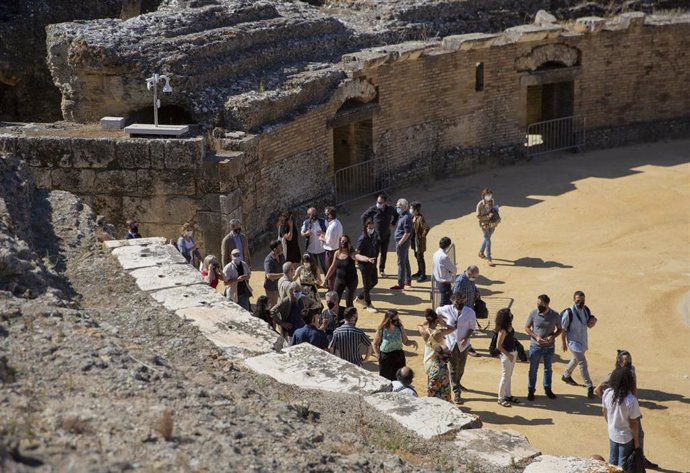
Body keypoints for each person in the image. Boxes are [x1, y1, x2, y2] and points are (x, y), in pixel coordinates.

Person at [594, 350, 657, 469]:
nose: (629, 362)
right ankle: (639, 457)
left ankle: (640, 458)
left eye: (629, 359)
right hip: (626, 426)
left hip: (616, 427)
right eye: (626, 360)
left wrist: (612, 416)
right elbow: (597, 390)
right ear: (619, 361)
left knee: (613, 458)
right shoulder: (619, 380)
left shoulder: (629, 372)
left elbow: (605, 411)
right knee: (623, 461)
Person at [436, 292, 476, 404]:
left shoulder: (470, 312)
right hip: (451, 343)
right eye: (457, 302)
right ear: (453, 301)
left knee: (461, 367)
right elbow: (436, 312)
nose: (459, 304)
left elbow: (472, 327)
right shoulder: (447, 309)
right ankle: (457, 391)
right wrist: (442, 323)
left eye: (462, 301)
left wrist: (466, 338)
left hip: (464, 344)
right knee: (453, 368)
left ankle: (457, 382)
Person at [561, 290, 598, 398]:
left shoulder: (586, 310)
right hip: (573, 342)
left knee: (576, 359)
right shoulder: (569, 313)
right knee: (582, 363)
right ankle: (589, 386)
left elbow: (588, 325)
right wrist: (563, 343)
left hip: (582, 341)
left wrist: (592, 322)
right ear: (574, 300)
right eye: (578, 301)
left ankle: (566, 375)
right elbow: (563, 330)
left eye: (582, 300)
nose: (580, 303)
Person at [525, 294, 562, 401]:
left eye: (540, 304)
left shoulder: (555, 315)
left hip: (549, 347)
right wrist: (536, 337)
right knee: (533, 369)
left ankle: (547, 389)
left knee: (548, 369)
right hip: (535, 346)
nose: (538, 306)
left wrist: (553, 336)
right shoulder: (533, 313)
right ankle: (531, 390)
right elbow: (527, 328)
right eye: (537, 303)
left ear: (547, 304)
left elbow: (560, 329)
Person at [602, 367, 641, 468]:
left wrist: (612, 424)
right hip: (626, 436)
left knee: (612, 460)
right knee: (622, 463)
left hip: (612, 432)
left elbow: (604, 412)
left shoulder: (608, 393)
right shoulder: (631, 400)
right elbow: (634, 423)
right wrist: (636, 441)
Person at [325, 235, 374, 308]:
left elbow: (358, 256)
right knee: (334, 300)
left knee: (348, 302)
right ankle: (335, 316)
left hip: (351, 281)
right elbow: (332, 267)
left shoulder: (351, 253)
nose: (343, 243)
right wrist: (325, 279)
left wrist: (367, 259)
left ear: (349, 243)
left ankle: (351, 317)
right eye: (342, 241)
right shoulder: (337, 253)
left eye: (345, 241)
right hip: (339, 280)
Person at [417, 309, 456, 401]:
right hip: (438, 361)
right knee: (443, 383)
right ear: (436, 321)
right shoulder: (439, 332)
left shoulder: (424, 331)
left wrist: (428, 320)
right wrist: (443, 324)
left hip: (427, 361)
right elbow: (453, 329)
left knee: (431, 382)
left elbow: (419, 325)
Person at [373, 309, 419, 381]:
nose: (397, 321)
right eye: (395, 320)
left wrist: (412, 342)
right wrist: (378, 356)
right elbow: (375, 344)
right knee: (386, 379)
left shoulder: (400, 328)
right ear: (389, 320)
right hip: (386, 357)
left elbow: (405, 341)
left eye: (397, 319)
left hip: (398, 356)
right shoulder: (381, 329)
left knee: (400, 379)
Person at [361, 193, 398, 277]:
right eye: (378, 202)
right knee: (374, 254)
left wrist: (393, 223)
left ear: (385, 202)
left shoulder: (390, 209)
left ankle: (381, 270)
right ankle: (373, 271)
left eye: (381, 202)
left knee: (384, 253)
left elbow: (396, 215)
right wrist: (367, 227)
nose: (379, 204)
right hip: (375, 236)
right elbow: (363, 216)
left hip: (386, 235)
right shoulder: (373, 209)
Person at [452, 265, 480, 357]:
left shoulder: (470, 278)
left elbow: (473, 287)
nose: (474, 278)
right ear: (469, 273)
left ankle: (466, 346)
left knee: (469, 329)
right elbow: (456, 298)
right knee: (464, 331)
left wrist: (476, 292)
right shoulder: (460, 282)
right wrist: (459, 312)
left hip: (469, 309)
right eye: (474, 277)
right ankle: (465, 347)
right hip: (462, 311)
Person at [495, 308, 520, 407]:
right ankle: (500, 398)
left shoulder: (509, 326)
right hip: (507, 355)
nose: (511, 315)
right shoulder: (503, 330)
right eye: (509, 314)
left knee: (509, 376)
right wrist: (508, 354)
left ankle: (508, 395)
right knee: (505, 377)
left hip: (513, 353)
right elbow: (498, 346)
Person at [355, 219, 379, 313]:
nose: (372, 228)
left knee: (374, 281)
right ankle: (368, 304)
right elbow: (358, 252)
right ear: (366, 227)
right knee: (366, 284)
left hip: (372, 263)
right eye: (370, 227)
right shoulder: (362, 238)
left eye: (372, 226)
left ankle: (360, 297)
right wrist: (357, 263)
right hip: (364, 265)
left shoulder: (374, 235)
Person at [390, 198, 413, 290]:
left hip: (402, 243)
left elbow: (407, 233)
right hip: (402, 242)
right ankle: (408, 280)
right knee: (405, 261)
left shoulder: (406, 217)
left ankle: (401, 283)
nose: (397, 208)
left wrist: (400, 243)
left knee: (401, 263)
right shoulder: (403, 215)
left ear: (404, 207)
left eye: (399, 207)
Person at [319, 206, 343, 290]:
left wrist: (321, 238)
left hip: (331, 252)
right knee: (335, 272)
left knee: (331, 273)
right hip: (336, 250)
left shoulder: (332, 226)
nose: (325, 216)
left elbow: (329, 242)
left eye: (326, 214)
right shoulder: (338, 223)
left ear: (329, 215)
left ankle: (331, 290)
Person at [476, 188, 499, 267]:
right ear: (483, 196)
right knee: (488, 240)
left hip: (492, 223)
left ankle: (481, 252)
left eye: (490, 195)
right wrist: (487, 217)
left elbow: (492, 209)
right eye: (488, 195)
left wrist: (494, 213)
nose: (489, 197)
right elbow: (478, 216)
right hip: (484, 224)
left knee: (487, 238)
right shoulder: (480, 204)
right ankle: (489, 259)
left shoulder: (492, 201)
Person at [301, 207, 328, 273]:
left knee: (325, 267)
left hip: (322, 249)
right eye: (313, 214)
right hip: (311, 250)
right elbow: (302, 233)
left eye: (315, 213)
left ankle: (328, 282)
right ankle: (317, 282)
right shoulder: (306, 222)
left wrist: (323, 233)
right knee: (314, 269)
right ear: (309, 215)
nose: (315, 215)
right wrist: (305, 234)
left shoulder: (323, 221)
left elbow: (329, 233)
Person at [432, 237, 456, 307]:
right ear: (448, 246)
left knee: (450, 304)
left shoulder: (435, 254)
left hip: (438, 282)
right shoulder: (444, 257)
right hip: (445, 285)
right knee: (443, 306)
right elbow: (454, 270)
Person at [410, 201, 431, 283]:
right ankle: (419, 271)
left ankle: (423, 275)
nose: (410, 210)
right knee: (416, 255)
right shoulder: (413, 217)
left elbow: (426, 228)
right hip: (414, 241)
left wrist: (422, 236)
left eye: (412, 208)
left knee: (420, 257)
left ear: (416, 210)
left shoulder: (420, 218)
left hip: (419, 242)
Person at [263, 240, 285, 306]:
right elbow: (269, 276)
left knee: (284, 304)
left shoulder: (281, 256)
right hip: (271, 288)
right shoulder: (268, 260)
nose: (282, 248)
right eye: (280, 247)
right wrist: (283, 275)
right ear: (275, 249)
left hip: (280, 286)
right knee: (273, 306)